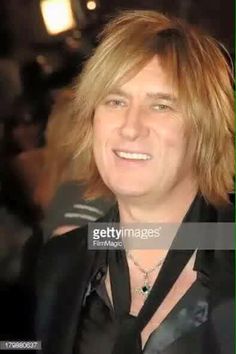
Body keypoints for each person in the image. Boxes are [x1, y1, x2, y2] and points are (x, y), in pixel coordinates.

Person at [35, 10, 234, 354]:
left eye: (161, 106)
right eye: (115, 101)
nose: (130, 127)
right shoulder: (60, 261)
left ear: (206, 131)